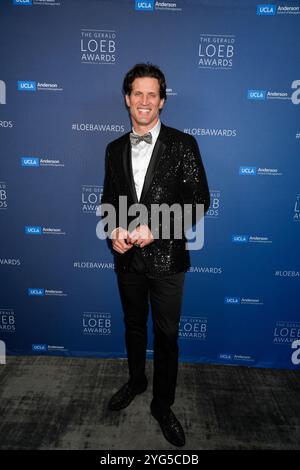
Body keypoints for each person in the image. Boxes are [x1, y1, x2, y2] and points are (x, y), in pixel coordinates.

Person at [101, 63, 210, 447]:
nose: (144, 101)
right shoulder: (113, 149)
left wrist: (158, 229)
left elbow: (200, 201)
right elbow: (107, 202)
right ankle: (136, 381)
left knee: (166, 337)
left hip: (167, 263)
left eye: (152, 94)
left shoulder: (183, 144)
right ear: (127, 99)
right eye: (137, 94)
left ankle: (162, 406)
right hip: (127, 260)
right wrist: (113, 230)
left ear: (161, 101)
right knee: (133, 327)